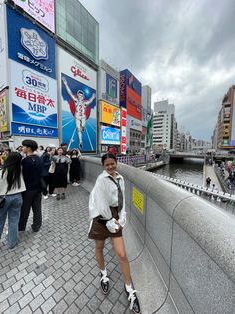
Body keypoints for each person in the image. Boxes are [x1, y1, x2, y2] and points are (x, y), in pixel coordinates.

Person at [88, 153, 141, 313]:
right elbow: (100, 203)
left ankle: (129, 288)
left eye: (113, 164)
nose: (110, 167)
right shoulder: (101, 180)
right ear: (103, 166)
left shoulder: (120, 178)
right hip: (101, 217)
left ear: (116, 163)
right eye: (107, 165)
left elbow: (122, 199)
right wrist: (109, 220)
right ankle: (103, 273)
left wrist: (122, 216)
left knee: (122, 254)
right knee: (99, 247)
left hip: (115, 216)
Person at [0, 152, 26, 248]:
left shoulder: (1, 171)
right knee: (14, 221)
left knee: (0, 221)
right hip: (18, 197)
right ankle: (12, 243)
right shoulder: (20, 171)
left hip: (3, 198)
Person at [62, 77, 96, 149]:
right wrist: (66, 84)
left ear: (83, 96)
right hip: (77, 116)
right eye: (79, 95)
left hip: (83, 116)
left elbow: (90, 101)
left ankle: (83, 127)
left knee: (83, 126)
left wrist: (93, 97)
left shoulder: (85, 102)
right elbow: (70, 93)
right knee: (78, 128)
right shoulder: (76, 100)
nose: (80, 96)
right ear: (78, 95)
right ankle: (80, 141)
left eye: (81, 95)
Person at [19, 140, 43, 233]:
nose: (22, 148)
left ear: (29, 148)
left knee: (25, 209)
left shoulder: (25, 160)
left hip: (28, 189)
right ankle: (36, 226)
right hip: (38, 188)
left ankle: (21, 227)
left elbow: (22, 176)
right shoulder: (39, 159)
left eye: (24, 146)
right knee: (37, 208)